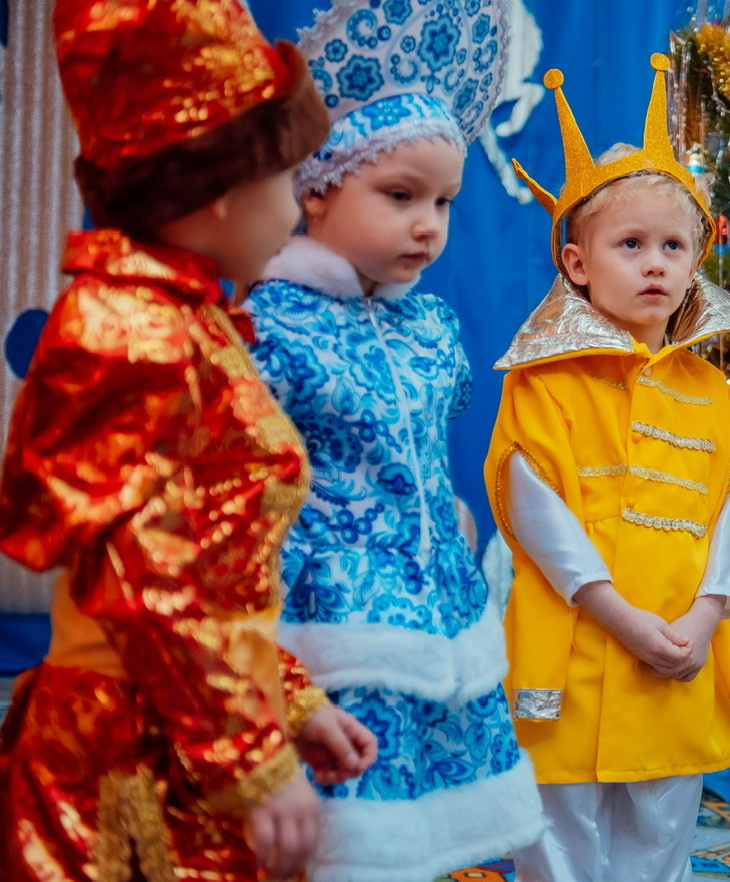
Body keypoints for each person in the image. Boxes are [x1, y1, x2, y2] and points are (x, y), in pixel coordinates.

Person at [0, 2, 379, 880]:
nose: (297, 209)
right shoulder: (130, 331)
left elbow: (214, 570)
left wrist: (284, 698)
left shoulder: (189, 320)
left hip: (181, 733)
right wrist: (248, 752)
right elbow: (145, 579)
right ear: (222, 188)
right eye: (288, 179)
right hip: (127, 758)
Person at [242, 1, 544, 879]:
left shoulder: (432, 329)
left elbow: (424, 451)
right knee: (349, 820)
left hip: (437, 602)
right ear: (319, 188)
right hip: (332, 615)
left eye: (444, 202)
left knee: (427, 821)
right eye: (401, 195)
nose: (428, 225)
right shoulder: (271, 325)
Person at [485, 54, 730, 882]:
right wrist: (615, 614)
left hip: (680, 641)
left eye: (673, 246)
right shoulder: (542, 384)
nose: (656, 263)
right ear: (578, 264)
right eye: (630, 244)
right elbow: (534, 505)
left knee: (662, 816)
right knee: (563, 810)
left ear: (696, 260)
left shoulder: (712, 388)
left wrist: (708, 614)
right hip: (578, 639)